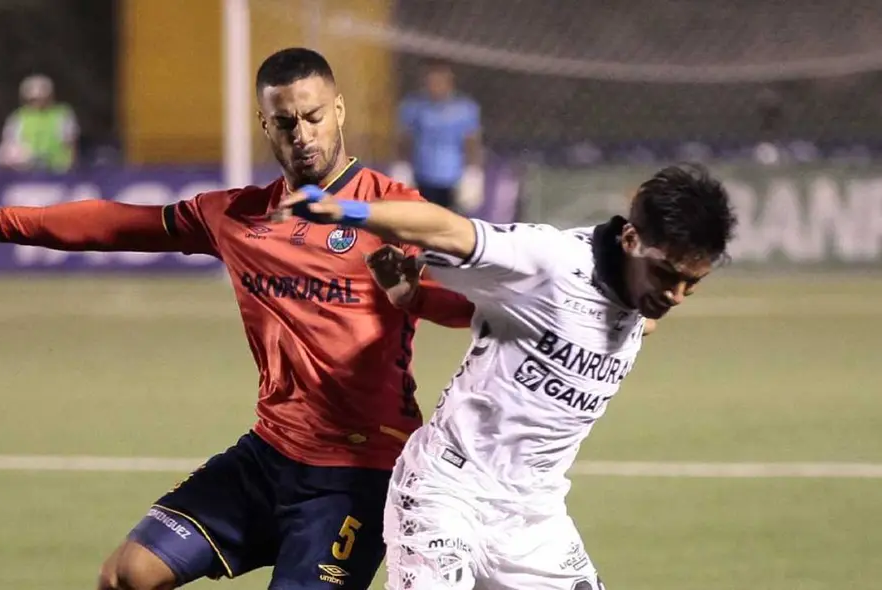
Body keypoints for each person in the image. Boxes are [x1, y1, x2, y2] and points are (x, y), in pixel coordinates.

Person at [0, 48, 475, 590]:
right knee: (127, 574)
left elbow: (472, 305)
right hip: (268, 455)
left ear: (340, 110)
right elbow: (119, 224)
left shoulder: (396, 212)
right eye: (285, 123)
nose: (302, 135)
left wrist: (415, 296)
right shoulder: (237, 215)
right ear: (265, 124)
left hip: (357, 473)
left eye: (314, 116)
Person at [275, 163, 737, 590]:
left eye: (691, 283)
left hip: (534, 519)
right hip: (447, 496)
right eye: (666, 276)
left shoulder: (642, 300)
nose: (676, 295)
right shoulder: (551, 260)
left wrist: (417, 299)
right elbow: (451, 230)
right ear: (632, 240)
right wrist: (347, 210)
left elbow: (538, 324)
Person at [391, 61, 484, 214]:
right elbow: (405, 140)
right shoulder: (413, 107)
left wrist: (473, 172)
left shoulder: (465, 109)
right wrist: (402, 167)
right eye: (432, 81)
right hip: (422, 174)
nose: (435, 86)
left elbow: (471, 142)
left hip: (453, 177)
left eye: (440, 81)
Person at [0, 74, 80, 172]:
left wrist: (71, 167)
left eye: (42, 98)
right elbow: (8, 144)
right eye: (33, 99)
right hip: (26, 171)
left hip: (58, 170)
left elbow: (71, 143)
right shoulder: (19, 117)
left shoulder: (62, 114)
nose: (37, 103)